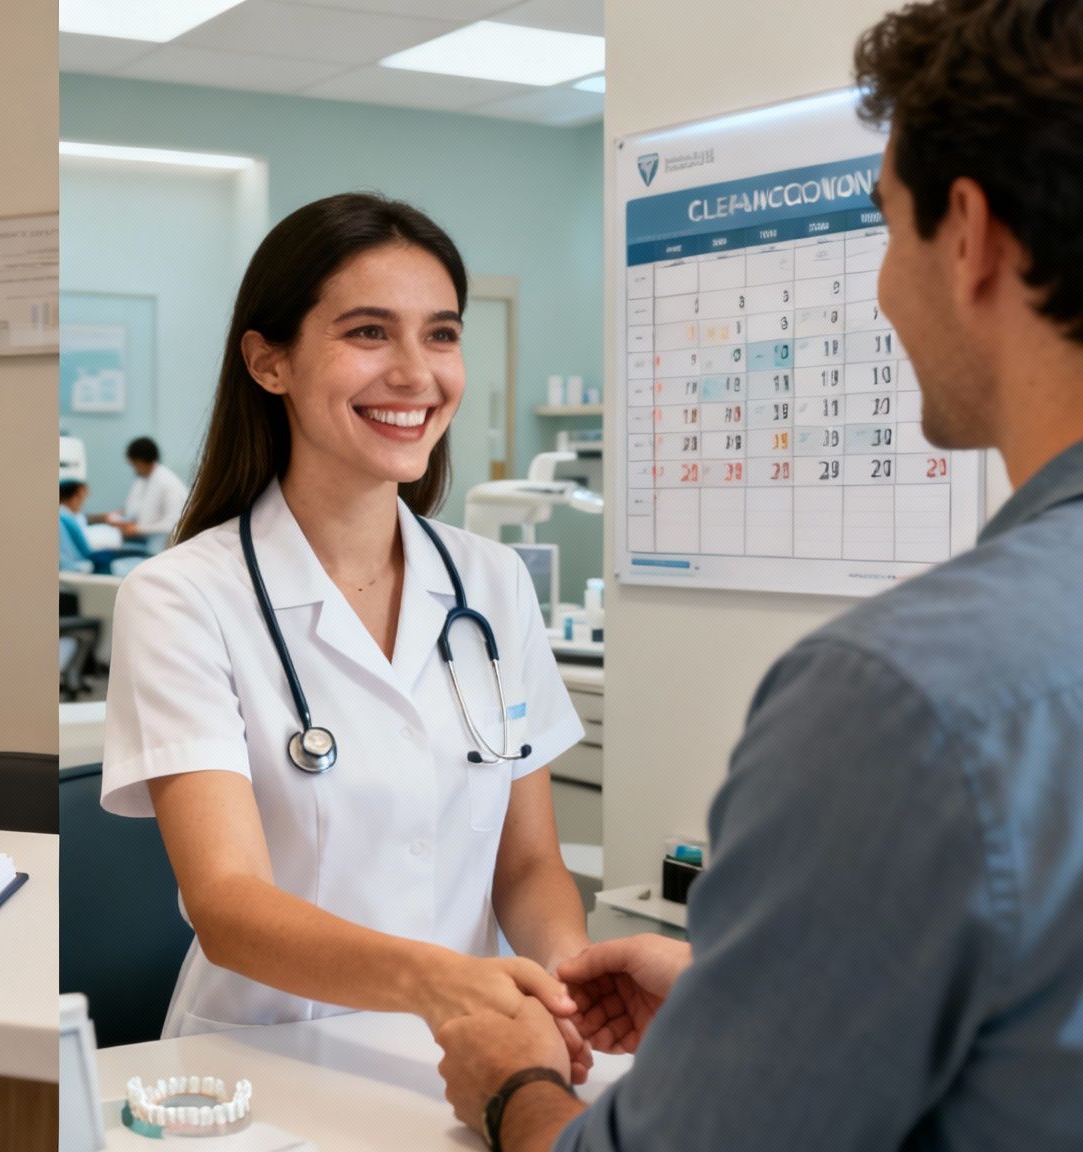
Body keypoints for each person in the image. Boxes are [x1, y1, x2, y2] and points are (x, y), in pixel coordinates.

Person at [433, 3, 1083, 1148]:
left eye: (884, 227)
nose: (881, 288)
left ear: (969, 232)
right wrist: (754, 1000)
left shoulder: (901, 698)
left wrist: (509, 1087)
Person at [100, 193, 592, 1072]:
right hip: (267, 1067)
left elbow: (527, 866)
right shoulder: (182, 598)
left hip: (473, 1053)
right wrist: (440, 982)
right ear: (269, 362)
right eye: (369, 333)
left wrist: (563, 985)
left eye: (441, 334)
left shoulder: (493, 584)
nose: (416, 373)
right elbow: (228, 903)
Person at [95, 436, 189, 543]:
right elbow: (133, 509)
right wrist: (118, 516)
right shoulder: (143, 479)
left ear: (140, 462)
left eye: (134, 464)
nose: (133, 469)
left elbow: (173, 524)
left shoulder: (169, 484)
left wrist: (136, 529)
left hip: (161, 544)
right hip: (141, 538)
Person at [60, 479, 96, 573]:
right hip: (79, 566)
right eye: (80, 497)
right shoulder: (64, 515)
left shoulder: (74, 516)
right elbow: (86, 550)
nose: (82, 502)